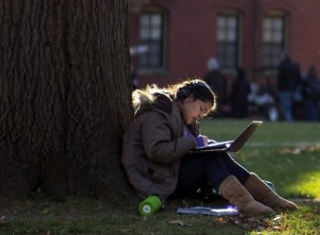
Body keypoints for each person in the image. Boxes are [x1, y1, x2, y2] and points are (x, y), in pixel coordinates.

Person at [122, 79, 296, 218]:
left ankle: (269, 199)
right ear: (188, 98)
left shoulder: (181, 118)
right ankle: (244, 202)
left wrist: (203, 145)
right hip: (157, 180)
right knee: (209, 159)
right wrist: (193, 143)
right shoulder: (158, 113)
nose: (200, 115)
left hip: (169, 173)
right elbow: (157, 151)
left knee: (217, 155)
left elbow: (182, 147)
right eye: (201, 109)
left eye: (204, 113)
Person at [277, 52, 303, 122]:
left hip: (284, 90)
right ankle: (290, 120)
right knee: (291, 108)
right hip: (292, 90)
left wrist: (279, 89)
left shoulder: (282, 66)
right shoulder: (293, 66)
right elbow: (299, 79)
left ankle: (289, 121)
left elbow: (280, 80)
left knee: (286, 108)